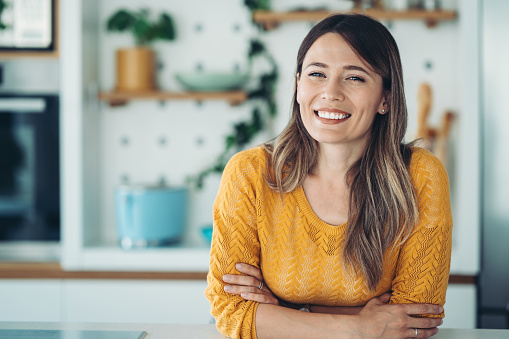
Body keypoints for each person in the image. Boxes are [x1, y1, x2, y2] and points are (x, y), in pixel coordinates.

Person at [204, 13, 452, 339]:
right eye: (317, 74)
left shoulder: (420, 176)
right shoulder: (249, 174)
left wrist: (285, 313)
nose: (330, 93)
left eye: (355, 78)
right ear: (297, 85)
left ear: (386, 98)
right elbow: (230, 311)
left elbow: (411, 322)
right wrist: (357, 327)